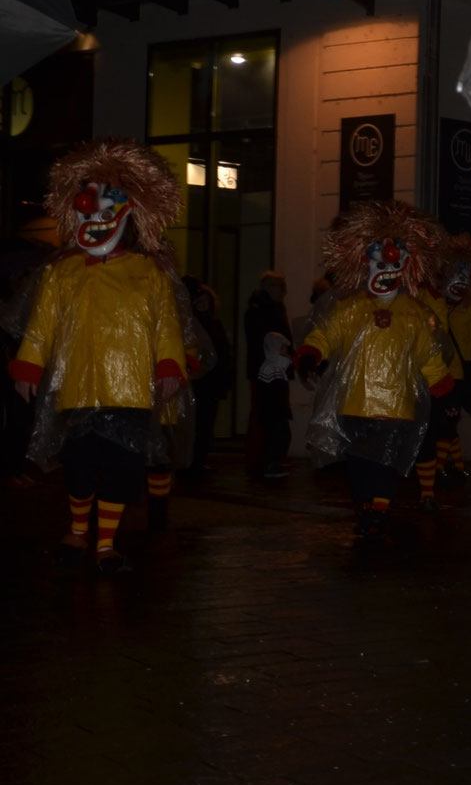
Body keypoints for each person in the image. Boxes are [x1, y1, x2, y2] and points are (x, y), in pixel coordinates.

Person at [9, 140, 187, 572]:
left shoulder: (150, 273)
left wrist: (169, 365)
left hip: (131, 395)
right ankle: (76, 532)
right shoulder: (60, 272)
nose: (95, 215)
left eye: (106, 207)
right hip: (78, 388)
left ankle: (105, 544)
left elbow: (166, 327)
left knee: (122, 471)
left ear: (127, 214)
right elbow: (41, 327)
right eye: (87, 208)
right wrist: (28, 364)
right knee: (80, 468)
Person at [296, 201, 454, 540]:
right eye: (379, 262)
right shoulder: (350, 309)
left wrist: (444, 387)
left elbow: (429, 356)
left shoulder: (415, 314)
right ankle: (368, 507)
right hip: (354, 406)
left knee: (382, 465)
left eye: (393, 263)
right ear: (366, 263)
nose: (386, 269)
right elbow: (325, 333)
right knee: (359, 467)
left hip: (395, 409)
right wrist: (311, 352)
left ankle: (378, 513)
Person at [435, 234, 471, 483]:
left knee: (447, 423)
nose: (459, 279)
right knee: (445, 422)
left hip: (458, 378)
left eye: (464, 273)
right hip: (436, 374)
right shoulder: (436, 306)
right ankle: (457, 467)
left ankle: (438, 468)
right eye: (454, 271)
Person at [181, 276, 234, 480]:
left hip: (212, 382)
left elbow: (221, 351)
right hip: (199, 382)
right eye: (199, 300)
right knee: (197, 424)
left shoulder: (213, 324)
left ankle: (200, 460)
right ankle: (191, 462)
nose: (203, 303)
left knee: (206, 424)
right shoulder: (194, 325)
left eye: (206, 300)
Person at [244, 271, 293, 481]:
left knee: (274, 416)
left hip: (275, 371)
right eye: (276, 286)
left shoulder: (273, 309)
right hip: (267, 373)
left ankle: (268, 459)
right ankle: (263, 461)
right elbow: (264, 341)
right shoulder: (260, 311)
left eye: (281, 287)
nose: (280, 291)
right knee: (267, 416)